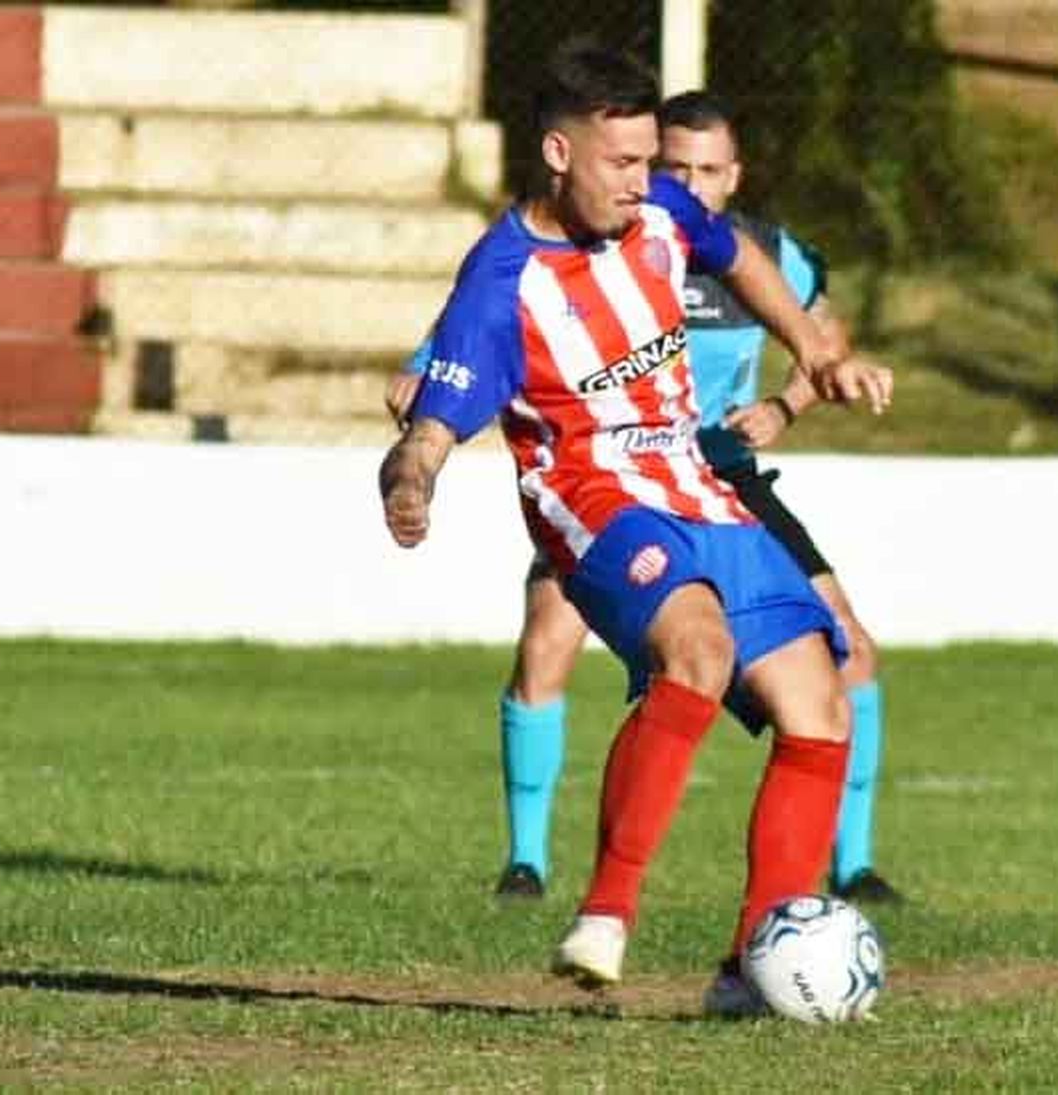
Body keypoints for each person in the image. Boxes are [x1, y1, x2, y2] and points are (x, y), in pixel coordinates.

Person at [379, 39, 892, 1014]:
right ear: (559, 153)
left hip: (702, 486)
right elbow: (437, 417)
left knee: (819, 703)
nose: (640, 181)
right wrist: (413, 478)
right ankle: (605, 913)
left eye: (648, 158)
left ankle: (749, 969)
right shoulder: (502, 278)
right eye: (621, 160)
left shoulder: (661, 212)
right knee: (694, 650)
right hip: (595, 499)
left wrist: (814, 351)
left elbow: (734, 250)